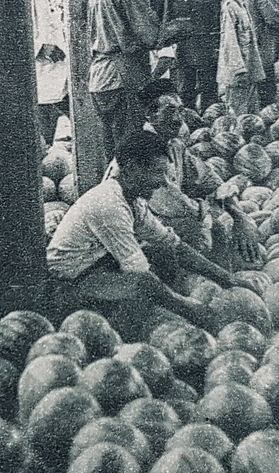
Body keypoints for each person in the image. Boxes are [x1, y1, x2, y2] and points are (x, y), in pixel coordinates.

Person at [45, 130, 261, 341]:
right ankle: (122, 333)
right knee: (144, 285)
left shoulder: (133, 200)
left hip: (98, 264)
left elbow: (173, 243)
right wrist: (190, 308)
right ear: (131, 169)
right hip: (71, 282)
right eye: (158, 173)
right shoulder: (108, 204)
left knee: (163, 251)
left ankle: (158, 308)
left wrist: (227, 279)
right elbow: (139, 273)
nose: (163, 183)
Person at [130, 79, 263, 271]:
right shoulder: (145, 148)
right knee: (206, 230)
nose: (178, 119)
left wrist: (239, 215)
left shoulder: (174, 145)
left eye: (180, 111)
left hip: (160, 221)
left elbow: (208, 178)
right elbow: (172, 204)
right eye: (170, 111)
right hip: (135, 231)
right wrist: (209, 212)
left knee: (214, 227)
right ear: (150, 114)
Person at [88, 0, 191, 166]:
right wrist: (183, 26)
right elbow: (152, 37)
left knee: (114, 153)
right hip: (123, 80)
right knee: (131, 157)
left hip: (102, 80)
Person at [161, 0, 223, 111]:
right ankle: (190, 123)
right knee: (185, 90)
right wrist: (170, 46)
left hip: (206, 47)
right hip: (183, 49)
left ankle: (211, 121)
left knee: (209, 88)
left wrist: (216, 46)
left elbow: (217, 20)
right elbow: (167, 22)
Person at [30, 0, 70, 146]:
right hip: (43, 71)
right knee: (45, 121)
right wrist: (43, 49)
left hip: (61, 70)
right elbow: (22, 33)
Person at [218, 0, 264, 116]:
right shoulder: (230, 8)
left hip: (249, 67)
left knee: (252, 111)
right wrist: (239, 70)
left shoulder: (242, 6)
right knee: (239, 113)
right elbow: (230, 41)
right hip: (239, 72)